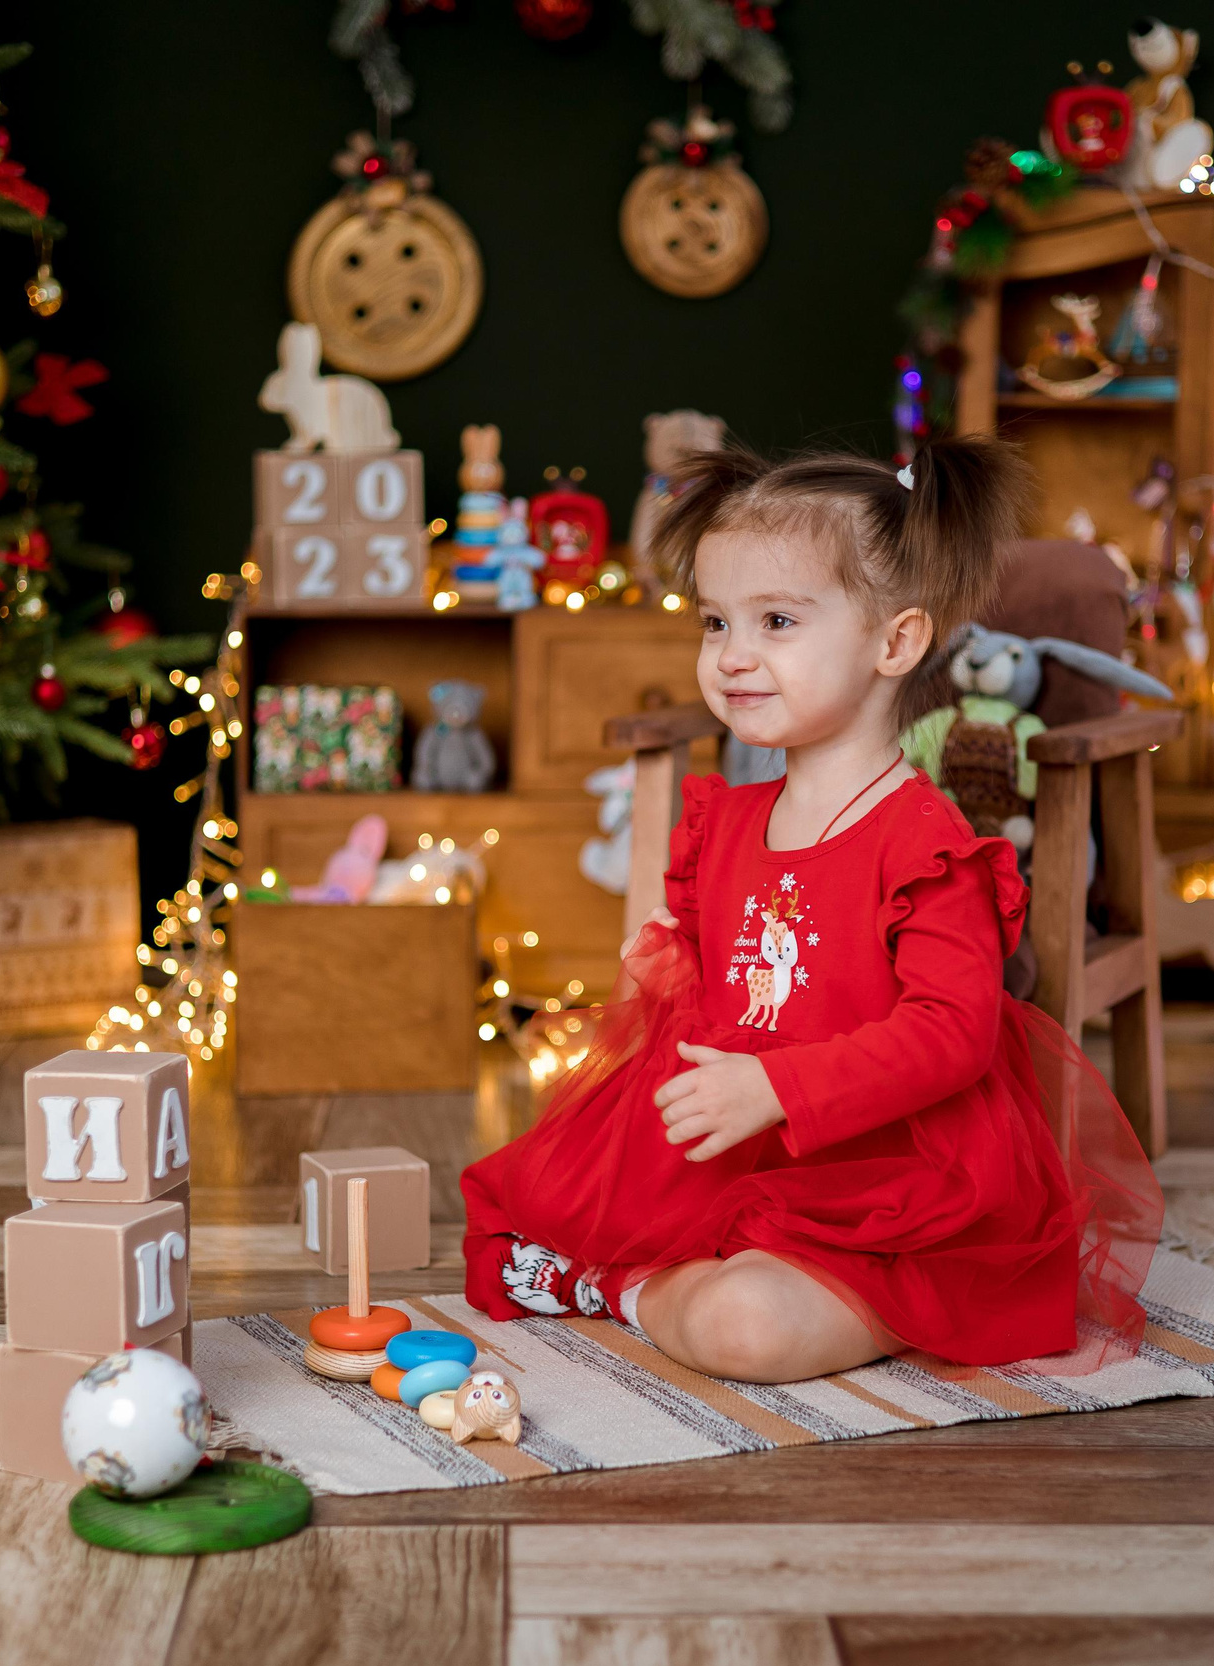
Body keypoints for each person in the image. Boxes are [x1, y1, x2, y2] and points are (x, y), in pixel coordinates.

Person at [461, 438, 1162, 1383]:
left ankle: (620, 1289)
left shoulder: (927, 843)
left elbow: (954, 1029)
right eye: (716, 622)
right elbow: (741, 974)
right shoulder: (729, 821)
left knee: (743, 1327)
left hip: (899, 1178)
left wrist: (779, 1091)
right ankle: (642, 1269)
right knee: (534, 1198)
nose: (733, 657)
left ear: (895, 642)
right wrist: (675, 961)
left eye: (777, 621)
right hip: (748, 1156)